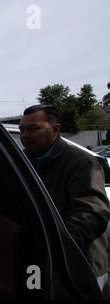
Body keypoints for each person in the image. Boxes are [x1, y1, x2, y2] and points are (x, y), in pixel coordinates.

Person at [19, 104, 110, 293]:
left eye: (33, 128)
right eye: (22, 129)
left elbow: (92, 212)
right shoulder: (22, 162)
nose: (25, 135)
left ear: (56, 129)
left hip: (81, 263)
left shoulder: (81, 162)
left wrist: (59, 248)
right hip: (40, 260)